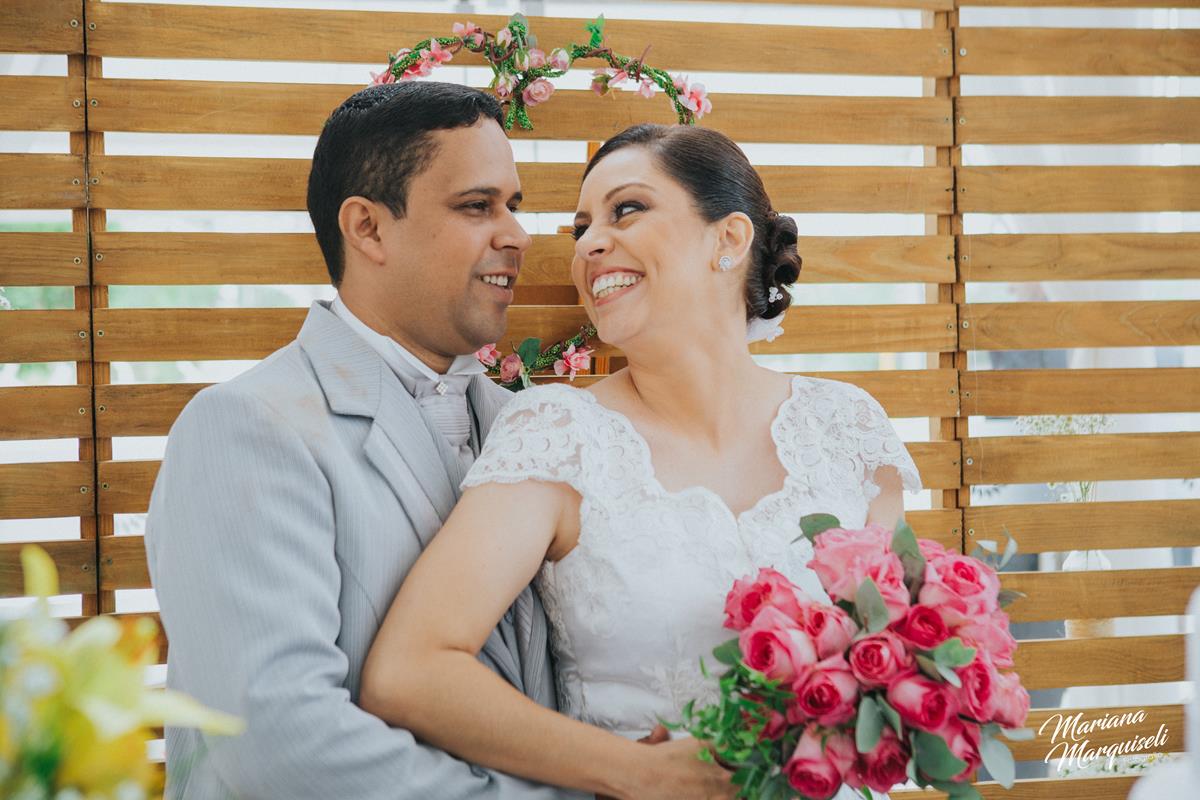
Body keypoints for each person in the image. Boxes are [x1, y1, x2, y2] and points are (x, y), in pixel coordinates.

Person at [145, 84, 711, 799]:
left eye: (514, 205)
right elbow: (281, 745)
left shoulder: (535, 430)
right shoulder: (245, 428)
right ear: (368, 228)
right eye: (477, 206)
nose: (518, 235)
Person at [361, 123, 922, 799]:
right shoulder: (557, 435)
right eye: (581, 229)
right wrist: (639, 773)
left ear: (729, 239)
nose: (589, 245)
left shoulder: (848, 427)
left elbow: (901, 673)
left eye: (626, 209)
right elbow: (409, 672)